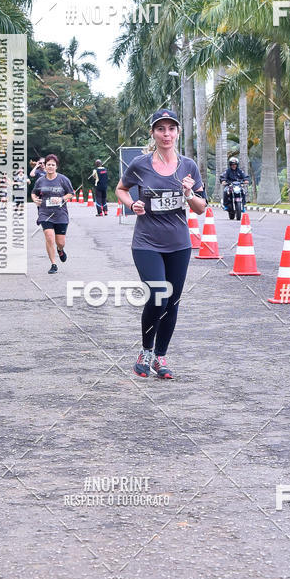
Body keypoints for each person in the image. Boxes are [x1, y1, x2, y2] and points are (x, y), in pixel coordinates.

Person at [116, 109, 207, 380]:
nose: (166, 134)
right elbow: (121, 189)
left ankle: (160, 357)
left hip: (179, 244)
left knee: (173, 302)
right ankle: (145, 350)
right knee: (159, 297)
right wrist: (132, 204)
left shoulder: (188, 166)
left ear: (177, 132)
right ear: (153, 133)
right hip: (146, 242)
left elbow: (201, 208)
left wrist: (189, 194)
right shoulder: (140, 165)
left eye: (171, 129)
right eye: (160, 129)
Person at [31, 154, 74, 275]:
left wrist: (61, 199)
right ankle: (53, 264)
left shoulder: (63, 179)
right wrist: (34, 199)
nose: (50, 167)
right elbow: (33, 193)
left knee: (60, 242)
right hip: (45, 213)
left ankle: (60, 250)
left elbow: (71, 193)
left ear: (56, 167)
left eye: (53, 165)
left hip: (60, 214)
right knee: (49, 237)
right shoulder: (40, 180)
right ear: (45, 167)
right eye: (48, 164)